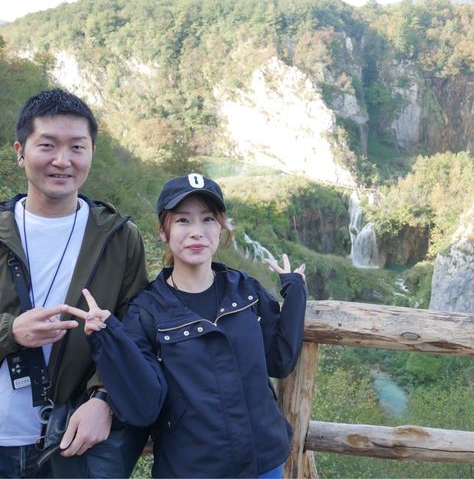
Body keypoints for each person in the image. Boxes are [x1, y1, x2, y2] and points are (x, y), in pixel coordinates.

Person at [67, 173, 308, 478]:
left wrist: (295, 292)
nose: (197, 232)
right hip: (191, 467)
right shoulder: (147, 311)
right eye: (183, 220)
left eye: (208, 219)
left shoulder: (245, 289)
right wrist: (108, 338)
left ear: (221, 228)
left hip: (264, 461)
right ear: (163, 231)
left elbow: (280, 360)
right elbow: (144, 405)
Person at [0, 88, 149, 478]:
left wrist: (104, 398)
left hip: (68, 444)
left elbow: (136, 330)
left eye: (77, 147)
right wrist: (10, 331)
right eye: (47, 145)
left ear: (92, 153)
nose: (62, 161)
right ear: (20, 151)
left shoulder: (119, 237)